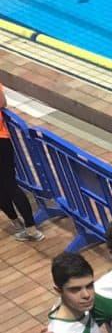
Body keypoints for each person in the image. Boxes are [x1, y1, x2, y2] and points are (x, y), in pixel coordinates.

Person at [0, 82, 44, 241]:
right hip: (2, 141)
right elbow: (2, 103)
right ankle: (31, 228)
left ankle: (16, 223)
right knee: (11, 184)